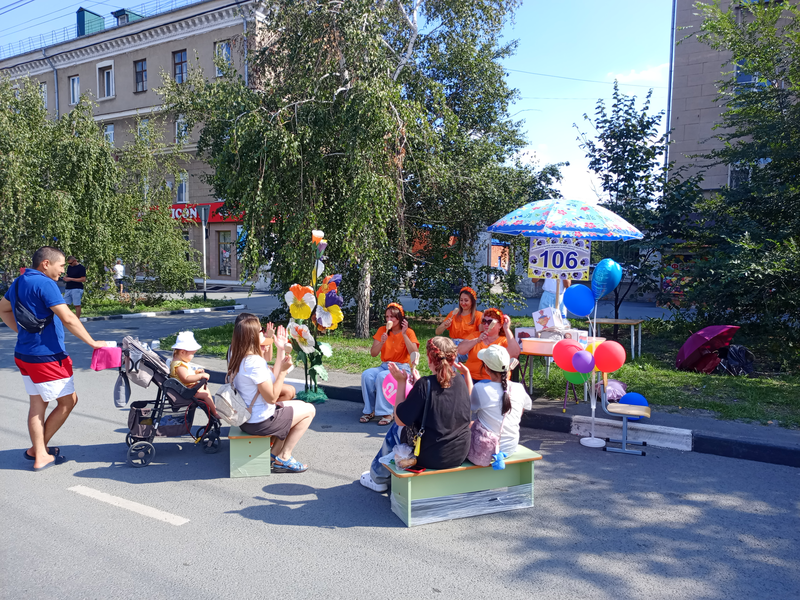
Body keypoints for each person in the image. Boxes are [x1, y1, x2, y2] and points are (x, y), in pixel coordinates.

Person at [0, 246, 110, 471]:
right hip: (46, 357)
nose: (63, 271)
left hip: (24, 355)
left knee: (37, 405)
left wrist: (22, 332)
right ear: (46, 264)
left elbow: (3, 310)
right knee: (68, 401)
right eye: (60, 266)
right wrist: (93, 343)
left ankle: (38, 451)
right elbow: (68, 317)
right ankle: (40, 453)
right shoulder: (46, 283)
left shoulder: (19, 282)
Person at [360, 337, 473, 493]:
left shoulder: (425, 385)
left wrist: (401, 382)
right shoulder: (459, 380)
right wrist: (419, 385)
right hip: (459, 453)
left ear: (430, 359)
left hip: (431, 456)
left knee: (396, 429)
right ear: (453, 358)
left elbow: (400, 420)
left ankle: (378, 477)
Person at [228, 313, 315, 473]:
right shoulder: (254, 362)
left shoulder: (240, 357)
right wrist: (283, 372)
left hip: (248, 418)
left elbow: (271, 378)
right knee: (309, 410)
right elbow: (272, 398)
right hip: (259, 422)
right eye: (260, 330)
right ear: (253, 336)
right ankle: (284, 457)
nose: (264, 333)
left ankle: (274, 454)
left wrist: (280, 349)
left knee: (299, 405)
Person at [360, 302, 420, 426]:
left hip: (402, 367)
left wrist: (404, 334)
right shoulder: (382, 330)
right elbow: (373, 353)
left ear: (399, 318)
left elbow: (414, 353)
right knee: (367, 374)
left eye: (392, 317)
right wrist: (382, 342)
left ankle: (387, 413)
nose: (389, 320)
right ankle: (369, 410)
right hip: (385, 365)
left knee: (382, 376)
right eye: (387, 317)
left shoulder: (409, 332)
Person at [470, 345, 532, 456]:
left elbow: (468, 412)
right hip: (510, 448)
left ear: (486, 367)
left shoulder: (480, 388)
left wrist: (466, 375)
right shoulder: (519, 388)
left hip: (486, 450)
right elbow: (521, 410)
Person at [458, 307, 521, 382]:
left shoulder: (503, 340)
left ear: (500, 325)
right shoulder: (475, 335)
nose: (486, 324)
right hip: (469, 375)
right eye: (484, 321)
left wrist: (506, 329)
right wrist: (477, 340)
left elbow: (515, 354)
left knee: (480, 386)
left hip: (491, 379)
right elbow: (460, 350)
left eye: (490, 322)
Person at [169, 331, 217, 415]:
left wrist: (195, 372)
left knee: (205, 391)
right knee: (205, 394)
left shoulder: (177, 363)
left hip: (185, 388)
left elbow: (184, 375)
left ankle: (212, 411)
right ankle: (214, 412)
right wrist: (200, 376)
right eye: (192, 354)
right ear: (182, 352)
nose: (193, 356)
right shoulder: (180, 365)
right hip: (185, 391)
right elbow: (186, 378)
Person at [435, 286, 482, 359]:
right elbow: (437, 332)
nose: (463, 303)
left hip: (469, 346)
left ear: (472, 301)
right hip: (452, 344)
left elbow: (482, 333)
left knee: (452, 356)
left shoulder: (478, 315)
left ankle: (452, 365)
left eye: (466, 300)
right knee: (438, 354)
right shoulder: (453, 314)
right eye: (461, 300)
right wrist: (444, 325)